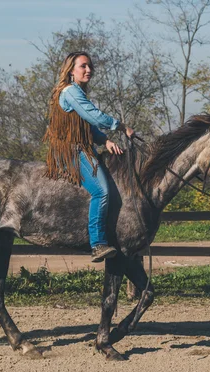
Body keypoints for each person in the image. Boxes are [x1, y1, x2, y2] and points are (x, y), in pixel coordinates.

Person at [43, 51, 134, 262]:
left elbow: (87, 127)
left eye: (90, 66)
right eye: (83, 66)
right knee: (101, 191)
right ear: (71, 71)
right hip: (72, 151)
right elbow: (94, 116)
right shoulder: (70, 92)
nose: (88, 70)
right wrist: (121, 127)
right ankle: (98, 244)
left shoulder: (77, 92)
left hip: (83, 147)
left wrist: (105, 141)